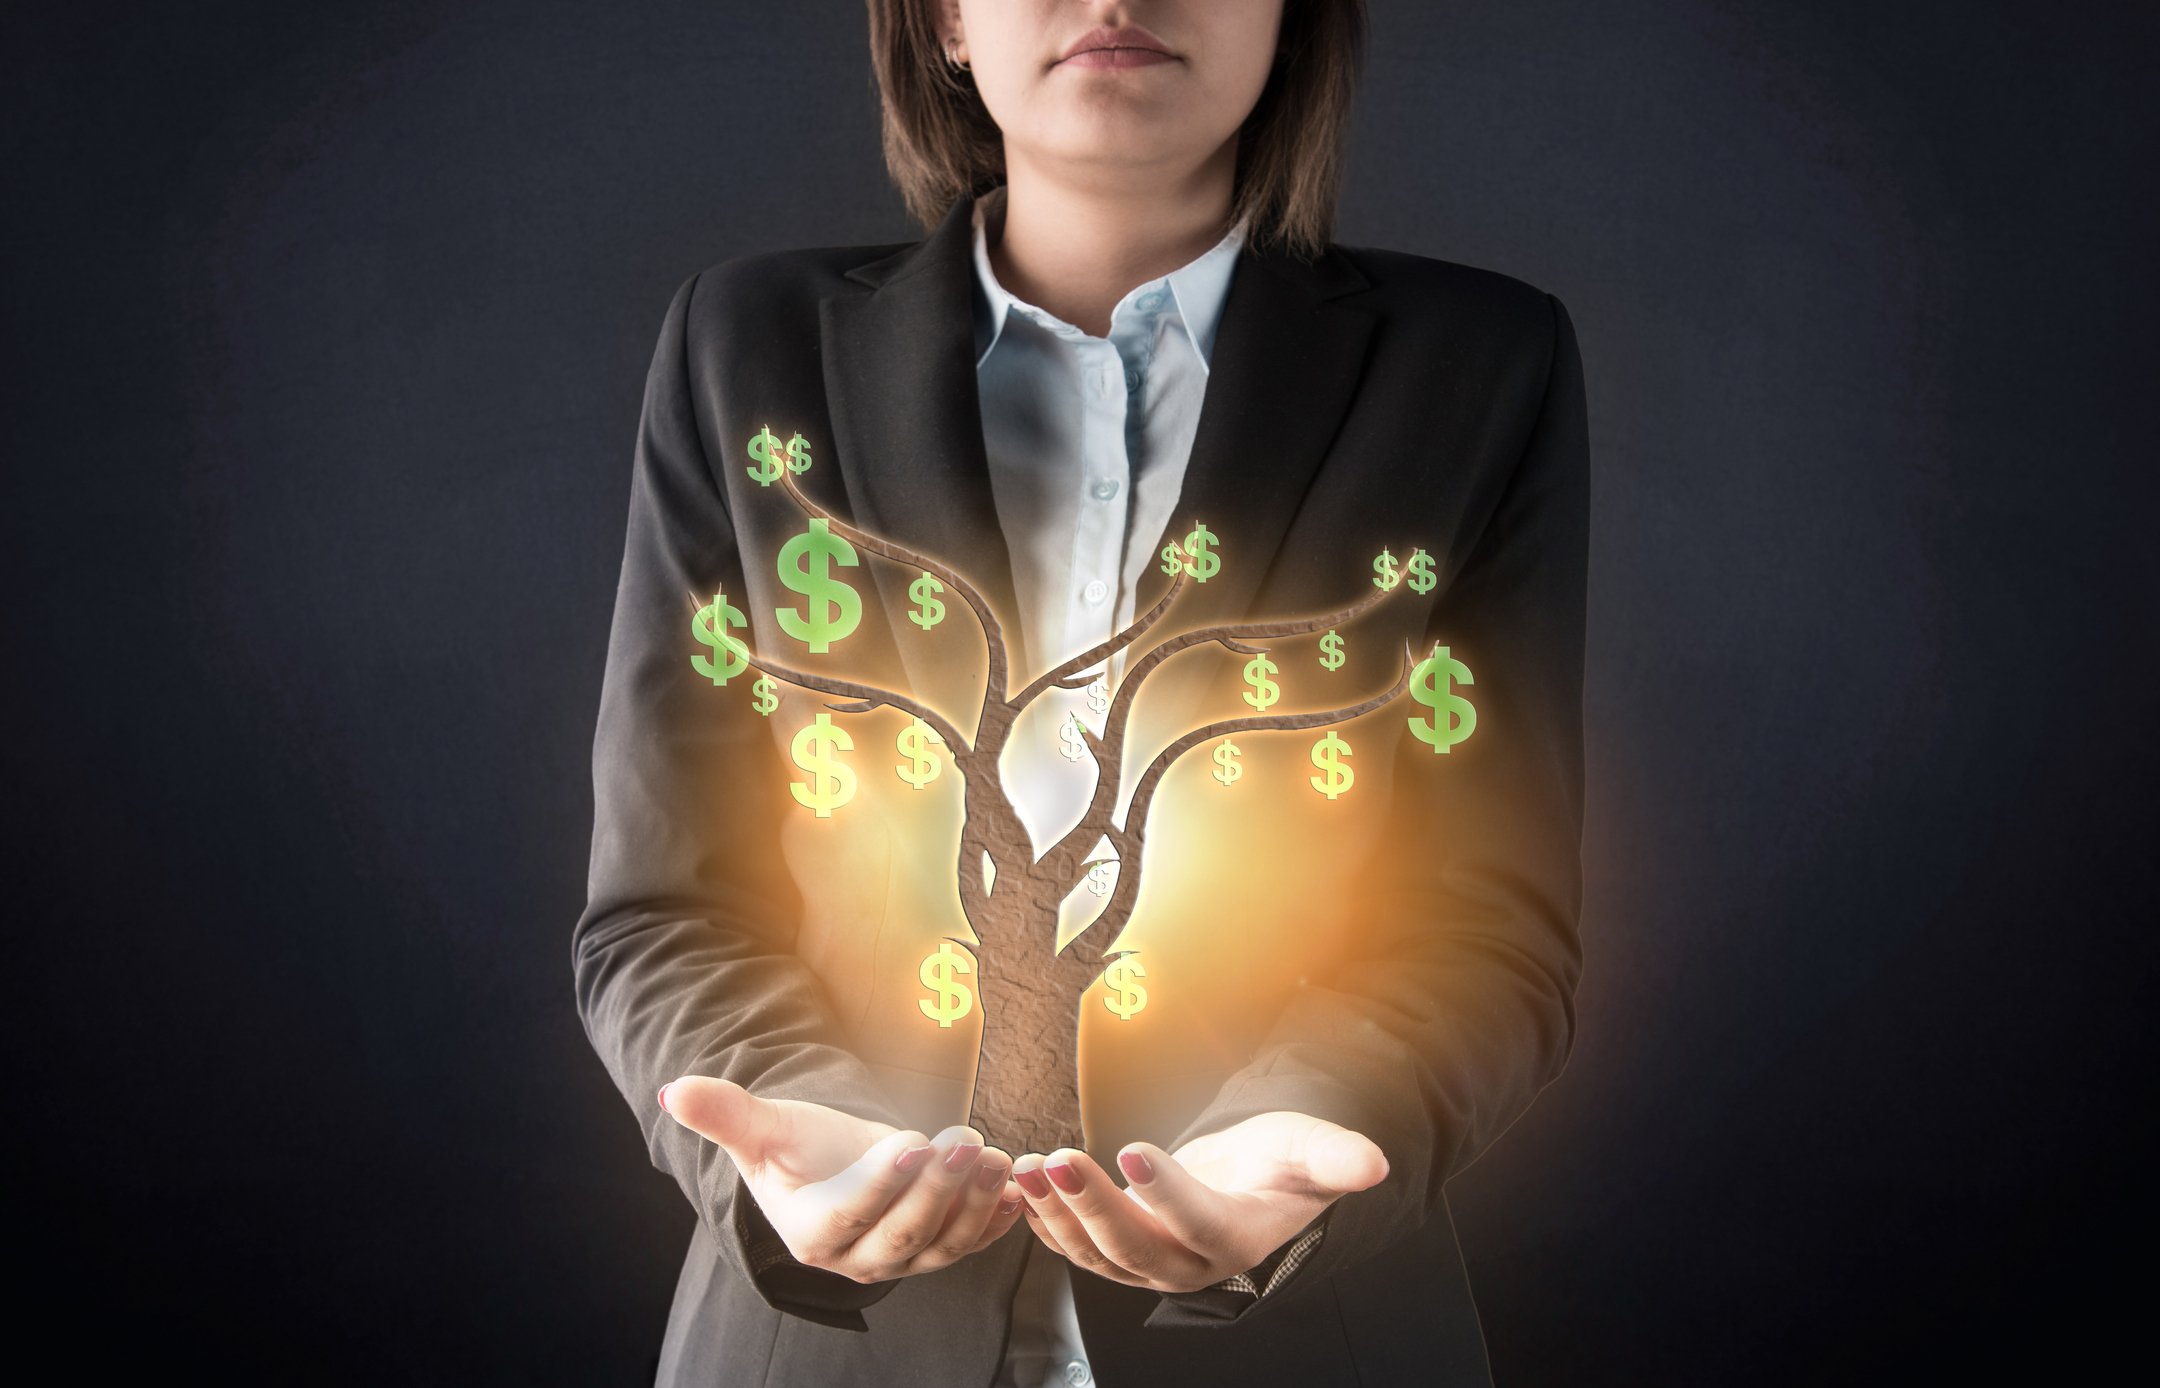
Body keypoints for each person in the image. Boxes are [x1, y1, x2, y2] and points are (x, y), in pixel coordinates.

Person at [573, 2, 1589, 1384]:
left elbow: (1488, 923)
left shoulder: (1475, 367)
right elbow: (663, 909)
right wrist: (797, 1124)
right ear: (944, 19)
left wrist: (1321, 1117)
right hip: (825, 1349)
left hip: (1306, 1339)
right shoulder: (743, 348)